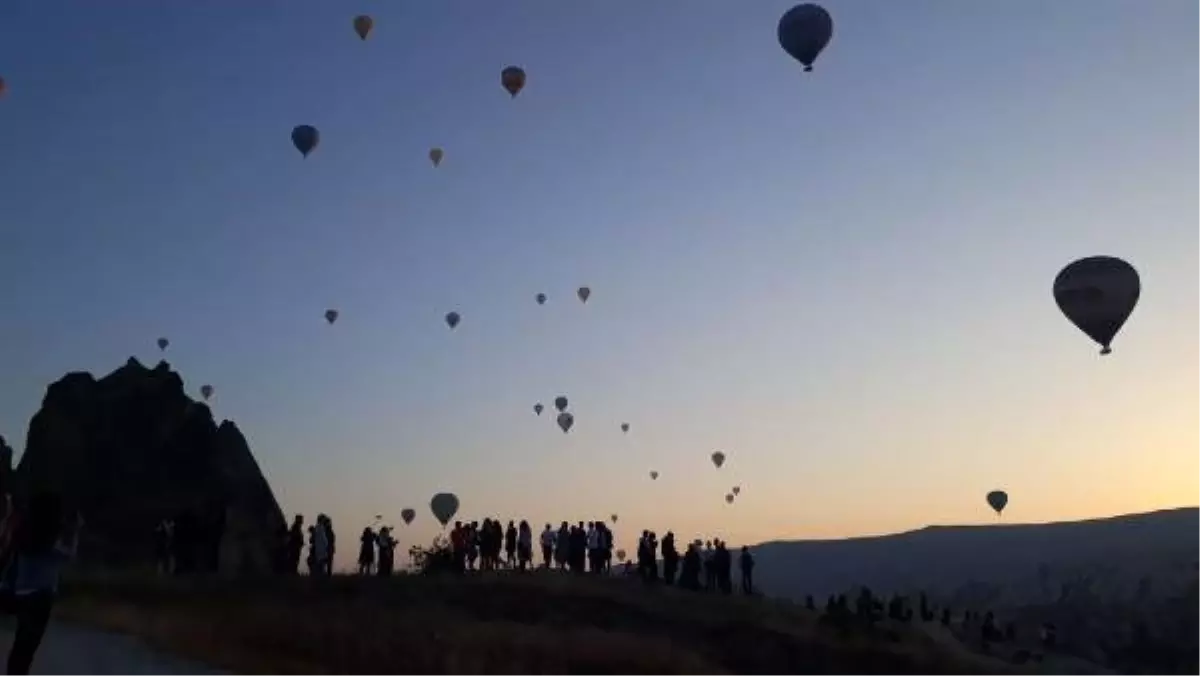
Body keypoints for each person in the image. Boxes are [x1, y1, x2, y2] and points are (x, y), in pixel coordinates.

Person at [1, 493, 83, 676]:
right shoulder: (50, 542)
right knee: (26, 650)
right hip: (42, 599)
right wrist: (76, 531)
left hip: (21, 595)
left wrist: (8, 516)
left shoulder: (23, 537)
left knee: (20, 649)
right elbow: (70, 555)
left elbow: (6, 546)